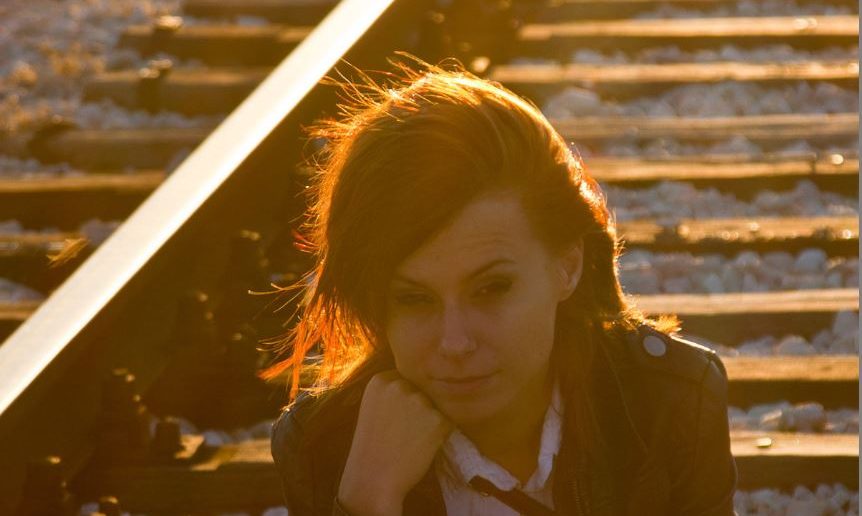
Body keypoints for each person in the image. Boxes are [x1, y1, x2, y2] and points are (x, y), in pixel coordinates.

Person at [264, 54, 737, 516]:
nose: (455, 343)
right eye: (415, 299)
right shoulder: (329, 448)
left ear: (567, 265)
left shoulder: (666, 403)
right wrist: (368, 501)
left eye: (491, 288)